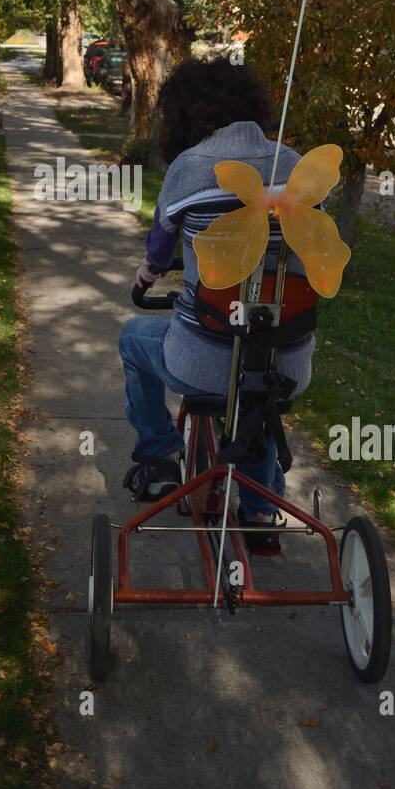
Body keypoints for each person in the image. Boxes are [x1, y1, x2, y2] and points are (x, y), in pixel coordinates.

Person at [118, 57, 316, 554]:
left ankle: (160, 455)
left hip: (202, 359)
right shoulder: (294, 165)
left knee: (133, 338)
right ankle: (260, 508)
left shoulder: (189, 169)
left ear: (184, 115)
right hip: (287, 360)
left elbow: (160, 251)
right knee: (259, 374)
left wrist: (150, 272)